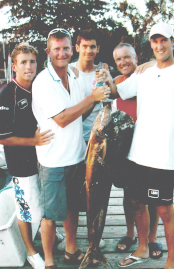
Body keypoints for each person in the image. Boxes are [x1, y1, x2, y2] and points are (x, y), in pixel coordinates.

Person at [96, 22, 174, 269]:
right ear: (150, 43)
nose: (159, 45)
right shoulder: (145, 72)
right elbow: (114, 92)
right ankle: (142, 249)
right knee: (136, 205)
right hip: (135, 155)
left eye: (164, 40)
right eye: (155, 40)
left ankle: (171, 263)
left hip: (161, 157)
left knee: (164, 211)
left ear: (173, 41)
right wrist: (107, 77)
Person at [32, 28, 110, 268]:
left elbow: (81, 112)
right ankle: (48, 261)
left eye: (66, 47)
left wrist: (100, 99)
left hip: (77, 156)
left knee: (72, 209)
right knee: (50, 215)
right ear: (48, 52)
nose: (62, 53)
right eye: (57, 48)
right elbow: (63, 118)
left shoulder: (74, 76)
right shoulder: (43, 81)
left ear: (71, 49)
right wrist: (93, 98)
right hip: (53, 160)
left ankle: (71, 250)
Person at [0, 43, 54, 269]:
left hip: (45, 159)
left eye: (32, 61)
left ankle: (49, 237)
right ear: (14, 66)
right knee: (24, 207)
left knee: (43, 202)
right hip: (20, 163)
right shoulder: (7, 94)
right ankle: (31, 252)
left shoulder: (40, 87)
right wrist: (32, 141)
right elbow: (2, 137)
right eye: (23, 62)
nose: (28, 66)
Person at [56, 29, 109, 252]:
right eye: (84, 46)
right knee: (73, 197)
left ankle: (93, 240)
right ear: (77, 47)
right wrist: (92, 98)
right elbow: (69, 115)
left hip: (98, 145)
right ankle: (71, 243)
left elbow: (108, 105)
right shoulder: (68, 73)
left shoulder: (103, 71)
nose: (88, 50)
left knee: (98, 196)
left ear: (98, 49)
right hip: (74, 143)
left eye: (93, 46)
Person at [113, 43, 163, 259]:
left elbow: (164, 66)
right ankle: (130, 232)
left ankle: (151, 238)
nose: (123, 62)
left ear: (136, 58)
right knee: (129, 194)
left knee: (151, 195)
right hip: (124, 147)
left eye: (127, 57)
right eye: (118, 59)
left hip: (147, 144)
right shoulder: (116, 83)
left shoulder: (149, 75)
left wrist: (153, 63)